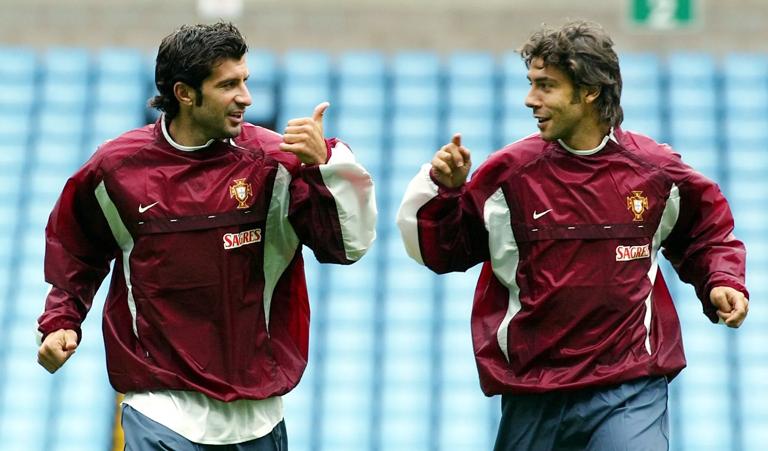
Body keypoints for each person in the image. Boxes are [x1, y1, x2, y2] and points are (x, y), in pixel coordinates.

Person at [396, 20, 749, 450]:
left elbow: (706, 231)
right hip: (533, 390)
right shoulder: (507, 175)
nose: (530, 99)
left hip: (628, 386)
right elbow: (443, 251)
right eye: (531, 84)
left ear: (589, 91)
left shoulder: (657, 172)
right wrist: (445, 192)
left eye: (546, 86)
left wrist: (722, 280)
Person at [36, 22, 376, 450]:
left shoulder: (276, 165)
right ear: (185, 93)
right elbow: (76, 249)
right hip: (160, 407)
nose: (246, 98)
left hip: (257, 415)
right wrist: (61, 322)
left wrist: (327, 168)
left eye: (245, 81)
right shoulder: (116, 169)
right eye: (228, 84)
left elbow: (346, 247)